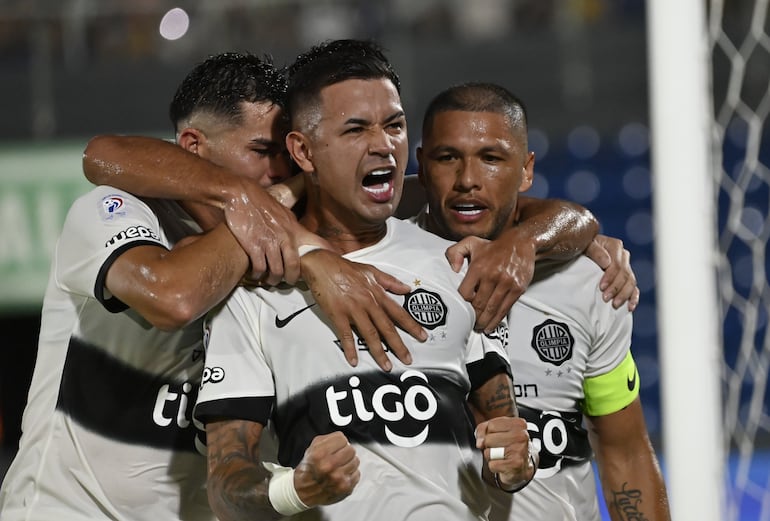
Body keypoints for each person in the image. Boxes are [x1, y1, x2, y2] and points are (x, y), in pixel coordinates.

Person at [0, 51, 420, 521]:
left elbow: (445, 199)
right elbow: (174, 297)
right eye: (262, 152)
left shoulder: (292, 237)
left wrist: (522, 226)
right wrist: (266, 202)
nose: (279, 172)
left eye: (289, 159)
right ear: (194, 147)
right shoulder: (115, 212)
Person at [194, 39, 537, 521]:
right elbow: (225, 488)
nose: (383, 145)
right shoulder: (252, 293)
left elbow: (505, 442)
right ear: (303, 151)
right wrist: (300, 488)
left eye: (394, 125)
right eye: (356, 129)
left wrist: (519, 460)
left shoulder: (458, 265)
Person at [414, 82, 670, 521]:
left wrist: (553, 233)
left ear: (526, 170)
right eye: (447, 158)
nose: (468, 180)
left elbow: (623, 452)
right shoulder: (380, 267)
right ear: (420, 165)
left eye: (492, 159)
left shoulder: (590, 284)